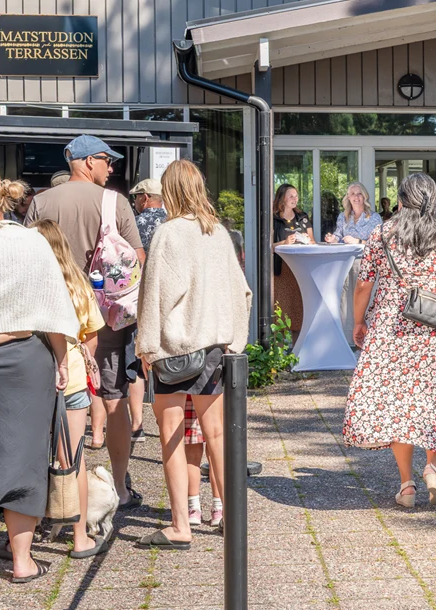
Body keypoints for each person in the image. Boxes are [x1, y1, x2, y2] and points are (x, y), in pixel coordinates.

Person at [342, 173, 436, 508]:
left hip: (390, 326)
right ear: (431, 200)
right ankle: (431, 468)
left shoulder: (382, 234)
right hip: (432, 328)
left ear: (401, 201)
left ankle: (406, 485)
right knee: (431, 399)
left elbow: (363, 285)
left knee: (398, 405)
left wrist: (358, 322)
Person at [25, 134, 145, 511]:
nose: (111, 169)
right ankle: (121, 487)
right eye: (107, 161)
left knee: (50, 400)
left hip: (51, 317)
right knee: (114, 400)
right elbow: (137, 260)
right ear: (88, 161)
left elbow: (27, 259)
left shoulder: (42, 202)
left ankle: (48, 492)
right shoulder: (115, 202)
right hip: (106, 317)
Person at [135, 159, 251, 548]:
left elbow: (154, 295)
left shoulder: (168, 234)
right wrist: (235, 338)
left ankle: (181, 525)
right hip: (215, 348)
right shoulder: (218, 232)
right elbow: (242, 291)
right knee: (217, 435)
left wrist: (146, 345)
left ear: (169, 191)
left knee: (170, 435)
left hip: (173, 349)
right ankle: (231, 519)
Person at [0, 172, 78, 583]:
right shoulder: (32, 241)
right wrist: (61, 360)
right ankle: (22, 563)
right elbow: (52, 307)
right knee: (25, 461)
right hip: (27, 363)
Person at [30, 219, 109, 559]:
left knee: (30, 460)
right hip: (73, 381)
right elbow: (92, 335)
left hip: (33, 379)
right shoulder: (78, 283)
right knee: (72, 459)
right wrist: (79, 360)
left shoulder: (29, 284)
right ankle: (80, 538)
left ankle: (23, 534)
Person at [127, 177, 167, 445]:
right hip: (170, 300)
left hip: (142, 299)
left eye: (136, 198)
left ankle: (137, 426)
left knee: (137, 360)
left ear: (144, 198)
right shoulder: (174, 224)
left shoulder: (135, 225)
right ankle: (169, 425)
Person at [324, 182, 384, 345]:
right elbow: (338, 235)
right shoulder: (343, 217)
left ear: (364, 196)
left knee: (366, 300)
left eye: (359, 194)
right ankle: (348, 341)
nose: (356, 197)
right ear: (348, 198)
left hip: (366, 264)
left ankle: (370, 340)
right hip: (344, 264)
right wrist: (332, 239)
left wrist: (358, 241)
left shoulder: (374, 218)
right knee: (346, 301)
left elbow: (379, 243)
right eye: (352, 194)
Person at [272, 184, 311, 337]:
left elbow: (313, 242)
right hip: (281, 272)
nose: (295, 199)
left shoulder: (303, 218)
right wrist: (285, 243)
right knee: (280, 313)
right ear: (282, 198)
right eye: (291, 196)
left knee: (298, 313)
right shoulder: (274, 219)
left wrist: (307, 240)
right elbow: (267, 247)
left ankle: (297, 354)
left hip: (300, 272)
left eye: (296, 196)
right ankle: (280, 356)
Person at [182, 396, 223, 528]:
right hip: (213, 388)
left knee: (192, 453)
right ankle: (219, 507)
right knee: (215, 450)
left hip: (189, 385)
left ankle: (193, 508)